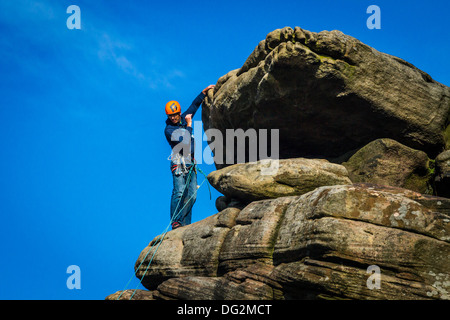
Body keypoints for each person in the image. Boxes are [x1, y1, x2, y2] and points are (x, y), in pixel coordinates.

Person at [164, 85, 215, 230]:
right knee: (179, 192)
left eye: (175, 115)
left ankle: (185, 225)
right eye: (171, 116)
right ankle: (176, 222)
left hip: (191, 163)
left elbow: (193, 107)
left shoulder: (181, 120)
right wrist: (189, 124)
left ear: (179, 113)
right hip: (179, 163)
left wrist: (203, 93)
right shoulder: (169, 130)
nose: (173, 118)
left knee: (192, 195)